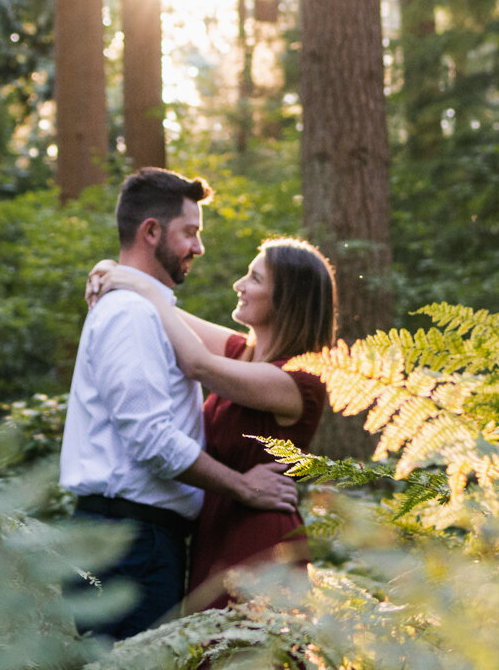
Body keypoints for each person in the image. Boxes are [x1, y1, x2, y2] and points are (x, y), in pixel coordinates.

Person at [62, 168, 299, 639]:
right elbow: (152, 439)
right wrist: (243, 487)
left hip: (136, 539)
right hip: (129, 543)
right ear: (151, 231)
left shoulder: (146, 309)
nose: (199, 247)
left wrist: (119, 273)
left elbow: (211, 351)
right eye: (190, 232)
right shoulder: (131, 315)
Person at [89, 236, 336, 610]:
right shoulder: (244, 353)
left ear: (286, 298)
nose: (239, 285)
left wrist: (143, 288)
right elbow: (167, 316)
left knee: (240, 660)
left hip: (259, 539)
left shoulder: (300, 381)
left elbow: (196, 364)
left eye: (254, 279)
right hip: (216, 531)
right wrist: (115, 271)